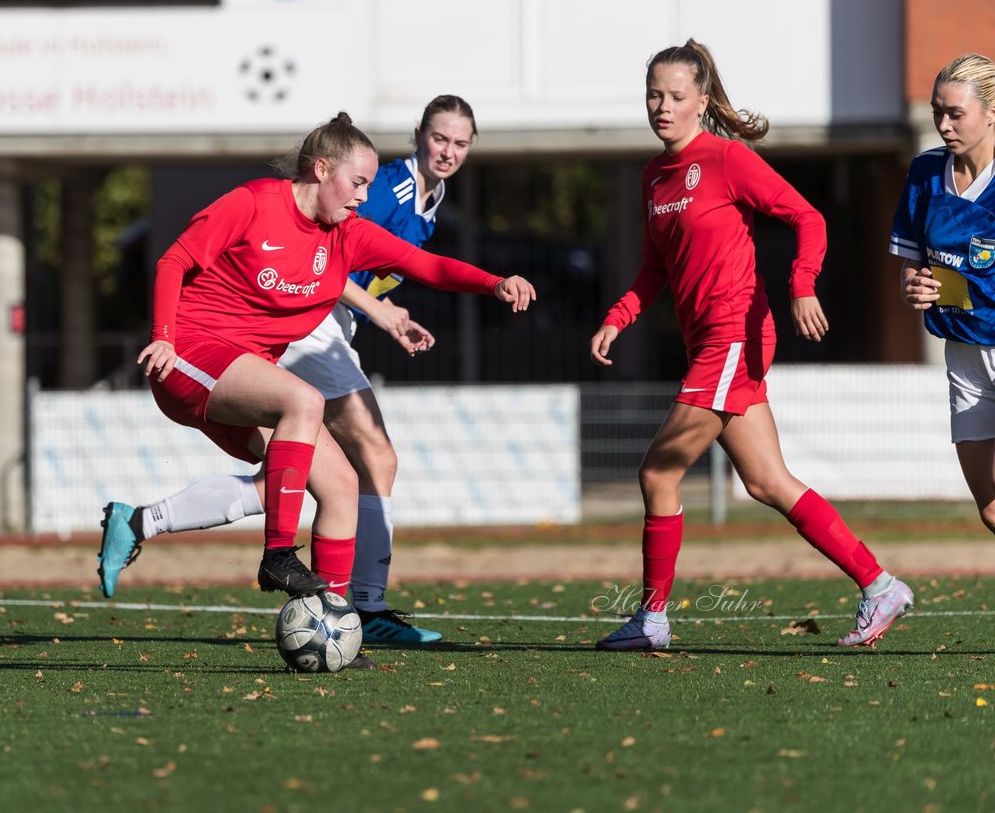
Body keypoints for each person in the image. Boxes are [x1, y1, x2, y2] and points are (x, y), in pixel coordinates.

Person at [96, 113, 534, 668]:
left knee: (342, 484)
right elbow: (173, 260)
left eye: (370, 186)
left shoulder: (347, 235)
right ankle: (279, 555)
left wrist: (494, 283)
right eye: (358, 183)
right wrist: (161, 335)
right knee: (303, 400)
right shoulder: (255, 202)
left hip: (242, 374)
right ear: (321, 170)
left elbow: (427, 265)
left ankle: (334, 624)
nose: (364, 196)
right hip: (188, 356)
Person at [588, 39, 913, 651]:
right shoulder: (653, 176)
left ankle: (653, 619)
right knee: (767, 482)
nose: (662, 106)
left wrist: (802, 286)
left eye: (676, 96)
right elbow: (655, 266)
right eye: (654, 95)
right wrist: (620, 315)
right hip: (710, 343)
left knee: (658, 472)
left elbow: (808, 217)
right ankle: (880, 584)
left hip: (734, 335)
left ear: (701, 101)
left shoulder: (727, 159)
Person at [893, 53, 995, 535]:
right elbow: (912, 261)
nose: (943, 124)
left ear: (991, 111)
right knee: (991, 507)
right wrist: (913, 285)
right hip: (961, 349)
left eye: (956, 113)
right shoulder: (925, 171)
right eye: (938, 111)